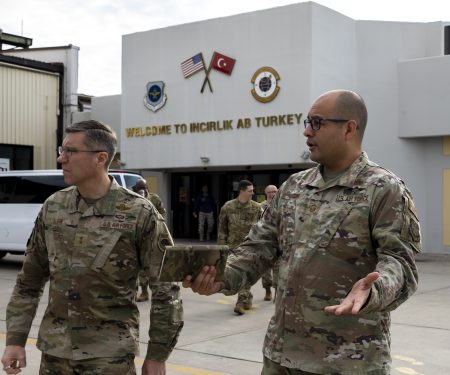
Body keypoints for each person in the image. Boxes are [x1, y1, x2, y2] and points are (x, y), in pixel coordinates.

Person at [184, 89, 422, 375]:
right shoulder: (294, 187)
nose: (307, 131)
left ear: (349, 128)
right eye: (306, 122)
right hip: (282, 357)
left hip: (349, 361)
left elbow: (400, 263)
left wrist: (376, 290)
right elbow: (258, 247)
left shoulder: (383, 188)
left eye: (317, 122)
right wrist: (221, 278)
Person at [1, 120, 183, 375]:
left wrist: (157, 355)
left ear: (100, 158)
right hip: (55, 355)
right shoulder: (54, 207)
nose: (60, 158)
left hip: (110, 359)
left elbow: (166, 289)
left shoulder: (139, 213)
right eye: (62, 150)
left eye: (70, 151)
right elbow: (28, 281)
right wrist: (15, 340)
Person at [217, 180, 262, 315]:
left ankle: (241, 302)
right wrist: (221, 247)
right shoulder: (228, 207)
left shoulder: (257, 208)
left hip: (250, 247)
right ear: (242, 191)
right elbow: (222, 229)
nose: (252, 193)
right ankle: (247, 297)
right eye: (250, 191)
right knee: (238, 275)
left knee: (246, 274)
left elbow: (263, 227)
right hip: (232, 248)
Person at [132, 179, 167, 302]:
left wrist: (156, 222)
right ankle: (144, 292)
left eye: (144, 189)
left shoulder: (155, 199)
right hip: (138, 236)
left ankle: (157, 292)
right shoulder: (133, 199)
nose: (142, 191)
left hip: (153, 237)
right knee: (139, 266)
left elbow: (163, 212)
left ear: (147, 189)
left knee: (153, 265)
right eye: (139, 189)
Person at [260, 185, 279, 301]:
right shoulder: (261, 206)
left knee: (278, 269)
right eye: (271, 191)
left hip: (279, 242)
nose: (273, 193)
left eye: (275, 191)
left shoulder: (283, 205)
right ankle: (267, 290)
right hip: (265, 242)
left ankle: (277, 291)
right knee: (265, 270)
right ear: (266, 193)